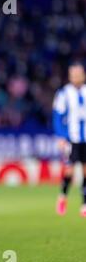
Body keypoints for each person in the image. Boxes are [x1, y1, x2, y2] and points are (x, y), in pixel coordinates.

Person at [53, 61, 86, 217]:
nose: (76, 77)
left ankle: (84, 205)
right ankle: (63, 197)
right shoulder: (64, 93)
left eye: (78, 74)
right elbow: (58, 116)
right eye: (73, 75)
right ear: (70, 76)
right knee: (69, 170)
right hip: (70, 138)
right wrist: (60, 136)